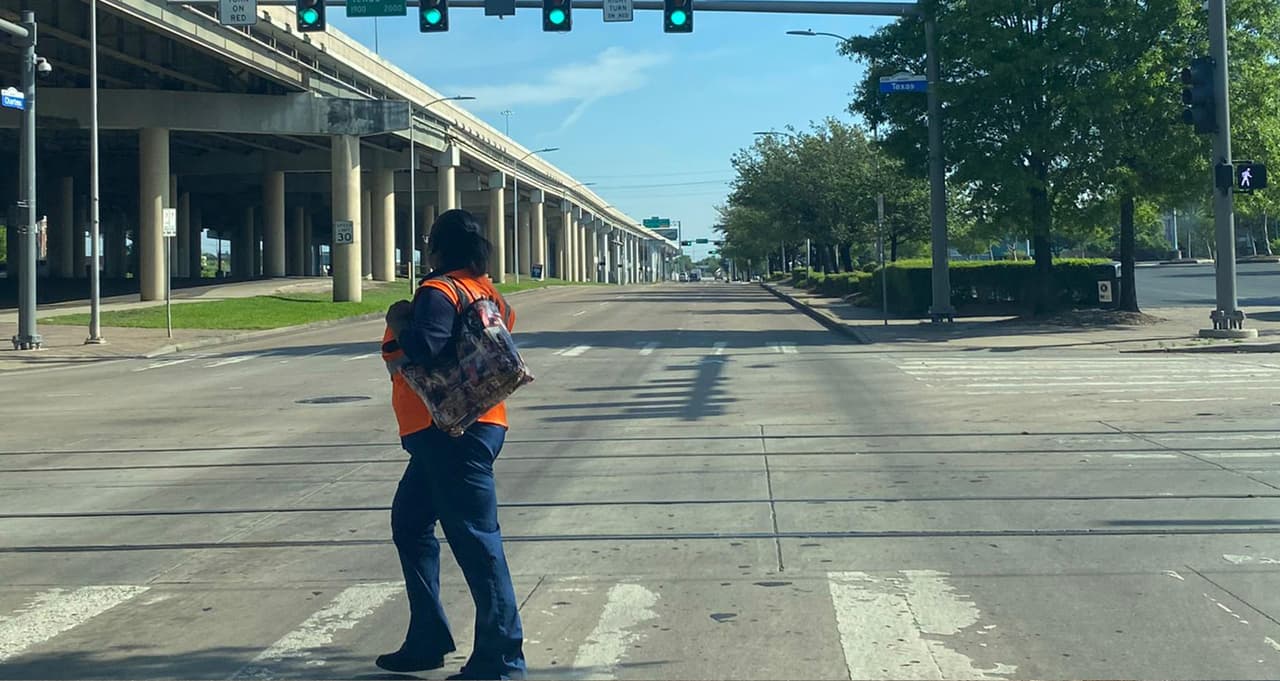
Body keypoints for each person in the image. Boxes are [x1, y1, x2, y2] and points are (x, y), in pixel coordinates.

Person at [378, 209, 526, 680]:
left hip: (451, 433)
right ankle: (427, 639)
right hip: (475, 424)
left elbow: (427, 346)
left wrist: (399, 319)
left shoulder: (439, 291)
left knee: (478, 543)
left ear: (438, 248)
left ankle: (501, 661)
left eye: (429, 242)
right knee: (410, 523)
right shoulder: (484, 290)